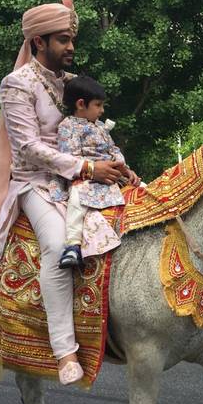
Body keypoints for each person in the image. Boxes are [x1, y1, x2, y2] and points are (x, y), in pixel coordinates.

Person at [0, 0, 126, 386]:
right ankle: (65, 351)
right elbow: (29, 147)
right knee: (55, 246)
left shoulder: (71, 84)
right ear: (37, 42)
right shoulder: (16, 85)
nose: (71, 48)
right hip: (34, 183)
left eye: (72, 40)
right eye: (63, 40)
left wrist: (111, 166)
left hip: (80, 180)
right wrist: (86, 167)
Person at [50, 75, 138, 269]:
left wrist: (125, 168)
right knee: (76, 202)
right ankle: (72, 245)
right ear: (81, 104)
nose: (102, 110)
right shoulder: (67, 127)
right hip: (85, 177)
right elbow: (70, 157)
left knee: (141, 190)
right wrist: (92, 168)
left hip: (112, 175)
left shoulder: (99, 127)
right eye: (98, 105)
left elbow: (112, 148)